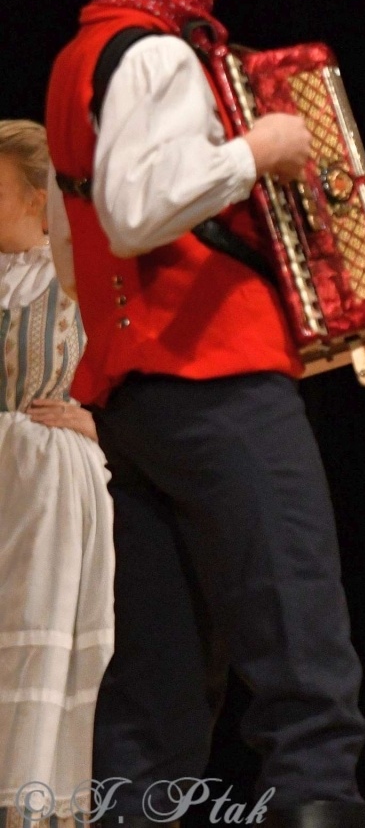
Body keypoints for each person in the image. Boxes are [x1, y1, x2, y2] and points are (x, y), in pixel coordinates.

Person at [44, 0, 365, 826]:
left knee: (156, 692)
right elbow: (138, 209)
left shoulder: (80, 51)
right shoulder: (157, 52)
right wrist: (259, 150)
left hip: (136, 396)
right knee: (303, 652)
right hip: (214, 379)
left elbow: (76, 234)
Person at [0, 121, 113, 823]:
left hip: (47, 487)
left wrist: (100, 425)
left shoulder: (82, 281)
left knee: (35, 649)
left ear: (40, 201)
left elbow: (134, 379)